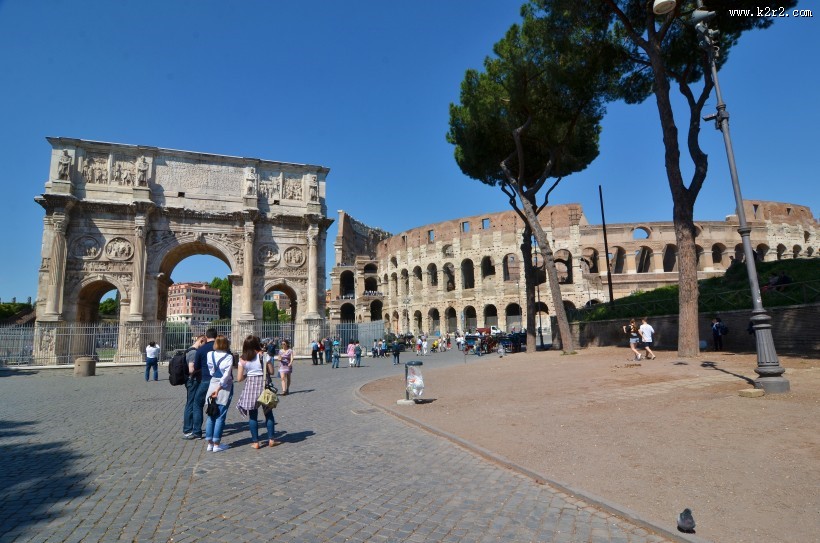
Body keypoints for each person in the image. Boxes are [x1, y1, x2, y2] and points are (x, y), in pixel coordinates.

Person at [236, 335, 281, 449]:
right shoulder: (265, 356)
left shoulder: (242, 359)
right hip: (264, 386)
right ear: (257, 344)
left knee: (253, 416)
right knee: (268, 413)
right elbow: (271, 371)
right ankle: (271, 439)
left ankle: (256, 442)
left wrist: (248, 374)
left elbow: (239, 378)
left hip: (250, 387)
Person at [205, 335, 234, 453]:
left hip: (212, 383)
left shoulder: (209, 354)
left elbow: (211, 370)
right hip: (224, 386)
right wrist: (219, 387)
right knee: (220, 415)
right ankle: (217, 444)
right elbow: (226, 375)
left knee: (211, 413)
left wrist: (215, 385)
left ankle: (209, 444)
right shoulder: (228, 357)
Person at [191, 328, 218, 440]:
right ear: (216, 337)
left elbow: (196, 366)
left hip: (205, 380)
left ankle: (197, 431)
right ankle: (216, 430)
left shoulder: (201, 350)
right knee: (218, 405)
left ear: (206, 337)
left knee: (197, 404)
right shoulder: (221, 349)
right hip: (218, 382)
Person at [182, 335, 207, 439]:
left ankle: (191, 429)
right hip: (193, 380)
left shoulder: (189, 350)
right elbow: (191, 370)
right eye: (204, 343)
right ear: (201, 340)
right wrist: (202, 369)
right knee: (191, 404)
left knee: (191, 403)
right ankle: (188, 429)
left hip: (192, 381)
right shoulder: (193, 352)